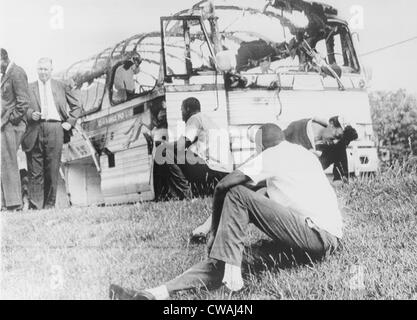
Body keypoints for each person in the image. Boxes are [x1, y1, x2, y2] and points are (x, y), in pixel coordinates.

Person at [109, 123, 343, 300]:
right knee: (228, 257)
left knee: (236, 192)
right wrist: (227, 243)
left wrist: (213, 232)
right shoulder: (303, 157)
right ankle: (154, 294)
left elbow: (225, 186)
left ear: (261, 147)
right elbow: (255, 204)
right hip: (313, 242)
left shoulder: (273, 154)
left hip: (318, 236)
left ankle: (233, 282)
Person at [21, 57, 81, 210]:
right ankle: (36, 206)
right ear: (37, 70)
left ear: (51, 70)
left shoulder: (61, 86)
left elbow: (77, 106)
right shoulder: (29, 88)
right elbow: (21, 108)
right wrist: (30, 114)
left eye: (46, 69)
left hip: (55, 128)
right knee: (35, 171)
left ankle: (49, 205)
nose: (43, 72)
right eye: (40, 69)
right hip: (34, 129)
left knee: (52, 169)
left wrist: (70, 122)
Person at [154, 97, 232, 200]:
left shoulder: (195, 118)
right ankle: (197, 192)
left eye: (182, 110)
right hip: (224, 174)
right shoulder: (209, 121)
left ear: (188, 109)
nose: (181, 114)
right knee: (180, 156)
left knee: (163, 153)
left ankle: (186, 196)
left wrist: (164, 145)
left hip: (212, 169)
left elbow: (181, 145)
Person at [284, 116, 358, 181]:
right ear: (331, 124)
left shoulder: (335, 148)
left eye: (340, 140)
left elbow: (341, 178)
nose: (335, 142)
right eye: (337, 135)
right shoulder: (298, 127)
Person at [1, 48, 30, 211]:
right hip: (6, 126)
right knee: (5, 163)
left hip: (12, 126)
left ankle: (13, 204)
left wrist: (11, 120)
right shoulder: (7, 74)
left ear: (3, 59)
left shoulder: (16, 72)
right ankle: (7, 203)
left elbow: (23, 102)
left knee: (9, 163)